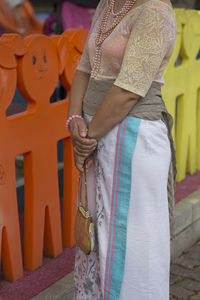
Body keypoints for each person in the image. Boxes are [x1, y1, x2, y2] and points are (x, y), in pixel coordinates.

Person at [66, 0, 177, 298]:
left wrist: (86, 138)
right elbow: (84, 69)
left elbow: (128, 91)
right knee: (94, 241)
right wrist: (75, 119)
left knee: (133, 247)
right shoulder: (109, 4)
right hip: (95, 136)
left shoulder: (155, 12)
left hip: (133, 140)